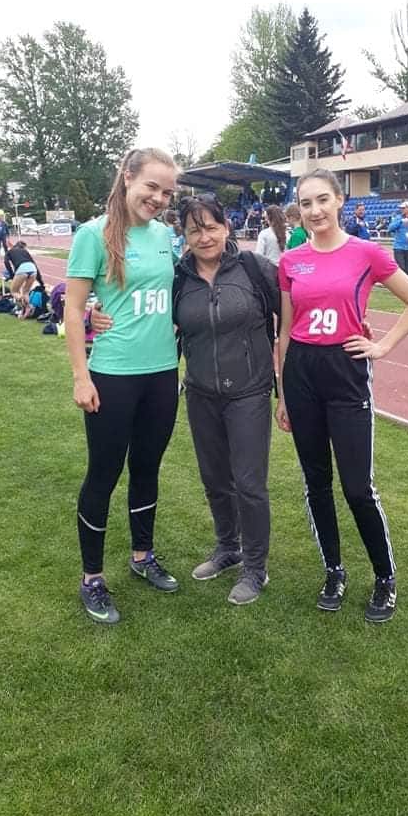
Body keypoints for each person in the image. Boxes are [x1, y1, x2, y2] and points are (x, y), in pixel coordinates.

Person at [93, 193, 280, 607]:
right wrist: (95, 311)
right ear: (184, 235)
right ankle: (227, 547)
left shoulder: (253, 268)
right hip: (200, 392)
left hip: (249, 391)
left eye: (211, 227)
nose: (204, 237)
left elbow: (297, 306)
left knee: (249, 483)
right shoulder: (177, 278)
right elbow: (140, 307)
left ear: (226, 228)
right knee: (215, 479)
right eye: (195, 230)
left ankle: (255, 567)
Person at [275, 169, 408, 623]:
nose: (315, 210)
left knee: (357, 487)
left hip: (345, 373)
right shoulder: (291, 261)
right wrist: (283, 395)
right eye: (306, 203)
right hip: (301, 373)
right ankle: (334, 571)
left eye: (322, 200)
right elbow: (284, 332)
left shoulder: (366, 253)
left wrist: (382, 347)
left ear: (339, 200)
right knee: (316, 482)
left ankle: (384, 577)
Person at [65, 147, 180, 625]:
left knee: (147, 468)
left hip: (163, 374)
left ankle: (142, 555)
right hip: (113, 375)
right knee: (104, 474)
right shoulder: (93, 234)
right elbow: (74, 309)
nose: (159, 198)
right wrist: (81, 376)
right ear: (128, 177)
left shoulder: (166, 235)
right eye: (152, 186)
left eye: (167, 192)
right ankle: (91, 578)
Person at [4, 240, 43, 316]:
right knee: (26, 292)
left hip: (22, 269)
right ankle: (27, 309)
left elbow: (6, 262)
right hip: (33, 269)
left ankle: (26, 305)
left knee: (14, 291)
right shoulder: (25, 251)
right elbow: (35, 265)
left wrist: (11, 274)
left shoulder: (9, 251)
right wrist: (41, 282)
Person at [388, 200, 408, 278]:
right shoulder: (398, 218)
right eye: (401, 208)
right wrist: (401, 222)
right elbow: (390, 228)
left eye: (403, 208)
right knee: (402, 268)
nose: (401, 209)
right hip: (398, 247)